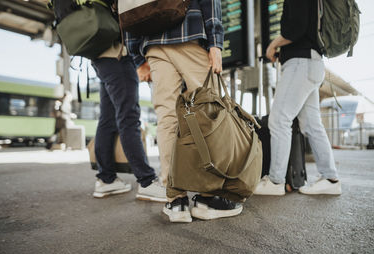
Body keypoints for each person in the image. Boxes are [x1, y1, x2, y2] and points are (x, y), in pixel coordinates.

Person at [126, 0, 243, 223]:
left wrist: (137, 56)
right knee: (210, 113)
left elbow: (128, 6)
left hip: (153, 43)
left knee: (167, 118)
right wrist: (216, 41)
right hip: (188, 32)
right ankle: (209, 197)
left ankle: (176, 200)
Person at [254, 0, 341, 196]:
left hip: (301, 63)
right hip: (312, 62)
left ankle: (275, 181)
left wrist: (272, 46)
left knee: (278, 120)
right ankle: (330, 178)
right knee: (311, 124)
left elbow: (296, 28)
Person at [91, 1, 166, 202]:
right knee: (129, 117)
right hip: (118, 54)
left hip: (100, 55)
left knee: (108, 118)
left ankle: (106, 180)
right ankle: (147, 181)